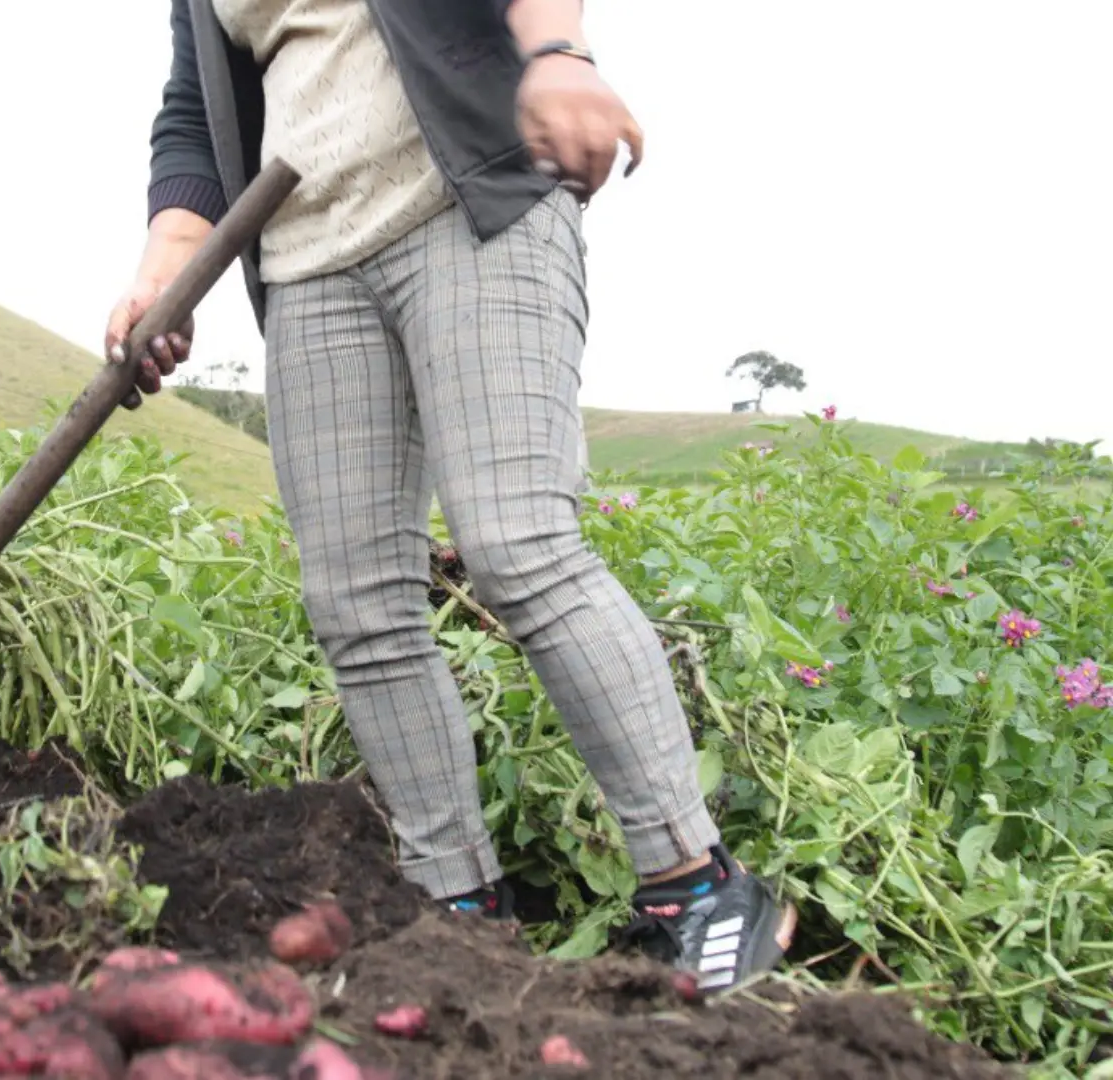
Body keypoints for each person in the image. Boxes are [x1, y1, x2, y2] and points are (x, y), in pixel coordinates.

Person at [103, 0, 797, 993]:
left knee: (518, 543)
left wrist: (558, 53)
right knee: (356, 600)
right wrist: (164, 273)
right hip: (307, 264)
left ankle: (695, 884)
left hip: (464, 200)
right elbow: (193, 110)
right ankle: (456, 905)